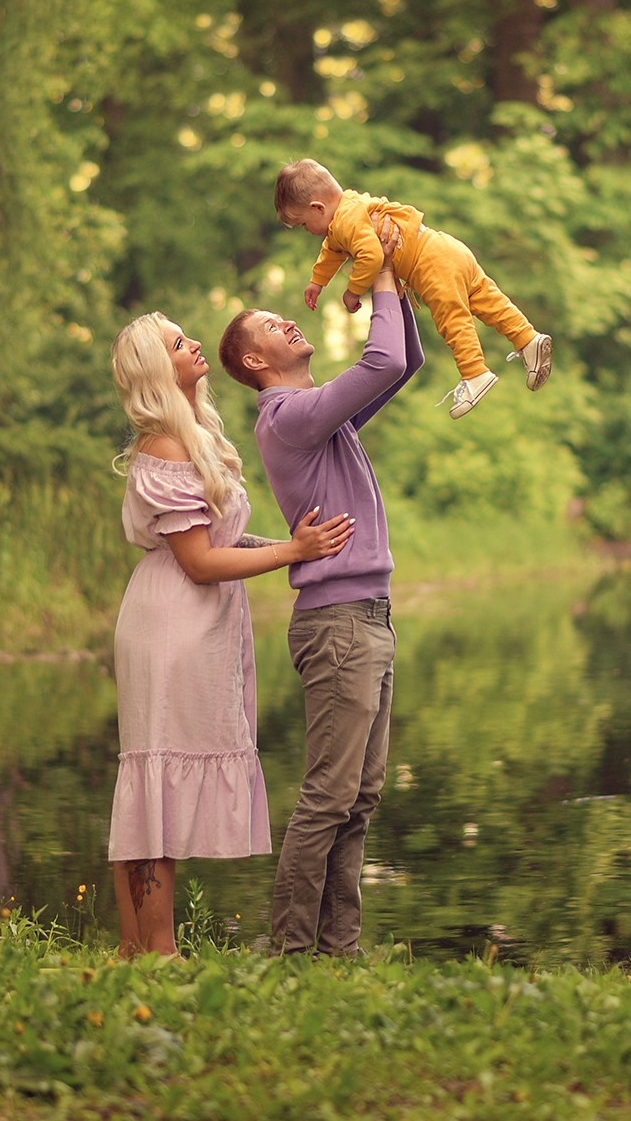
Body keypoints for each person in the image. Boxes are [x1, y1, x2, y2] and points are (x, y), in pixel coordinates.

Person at [106, 311, 356, 958]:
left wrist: (295, 548)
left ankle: (139, 948)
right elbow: (197, 562)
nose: (192, 344)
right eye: (177, 343)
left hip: (199, 621)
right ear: (157, 370)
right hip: (170, 624)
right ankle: (153, 950)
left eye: (186, 336)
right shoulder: (164, 443)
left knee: (154, 775)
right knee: (152, 777)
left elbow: (218, 541)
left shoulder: (196, 438)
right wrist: (289, 553)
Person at [217, 215, 423, 955]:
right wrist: (382, 274)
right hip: (338, 625)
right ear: (254, 357)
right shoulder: (289, 417)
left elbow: (400, 362)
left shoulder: (319, 417)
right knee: (328, 796)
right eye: (271, 323)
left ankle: (339, 948)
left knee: (360, 797)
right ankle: (291, 948)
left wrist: (405, 276)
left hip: (368, 617)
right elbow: (379, 357)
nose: (287, 320)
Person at [275, 157, 551, 419]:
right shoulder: (349, 207)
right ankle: (528, 340)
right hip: (447, 248)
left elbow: (372, 256)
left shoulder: (346, 221)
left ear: (317, 208)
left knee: (451, 318)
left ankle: (474, 372)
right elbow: (332, 250)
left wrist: (353, 291)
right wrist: (317, 281)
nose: (308, 230)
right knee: (486, 299)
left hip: (430, 264)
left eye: (303, 224)